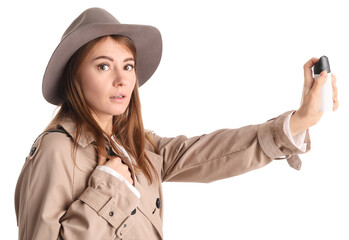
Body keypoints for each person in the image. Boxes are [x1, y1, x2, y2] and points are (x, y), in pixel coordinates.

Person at [14, 7, 339, 240]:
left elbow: (210, 154)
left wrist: (299, 121)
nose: (121, 80)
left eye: (128, 66)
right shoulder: (56, 148)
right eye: (103, 66)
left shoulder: (135, 145)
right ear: (74, 76)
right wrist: (108, 188)